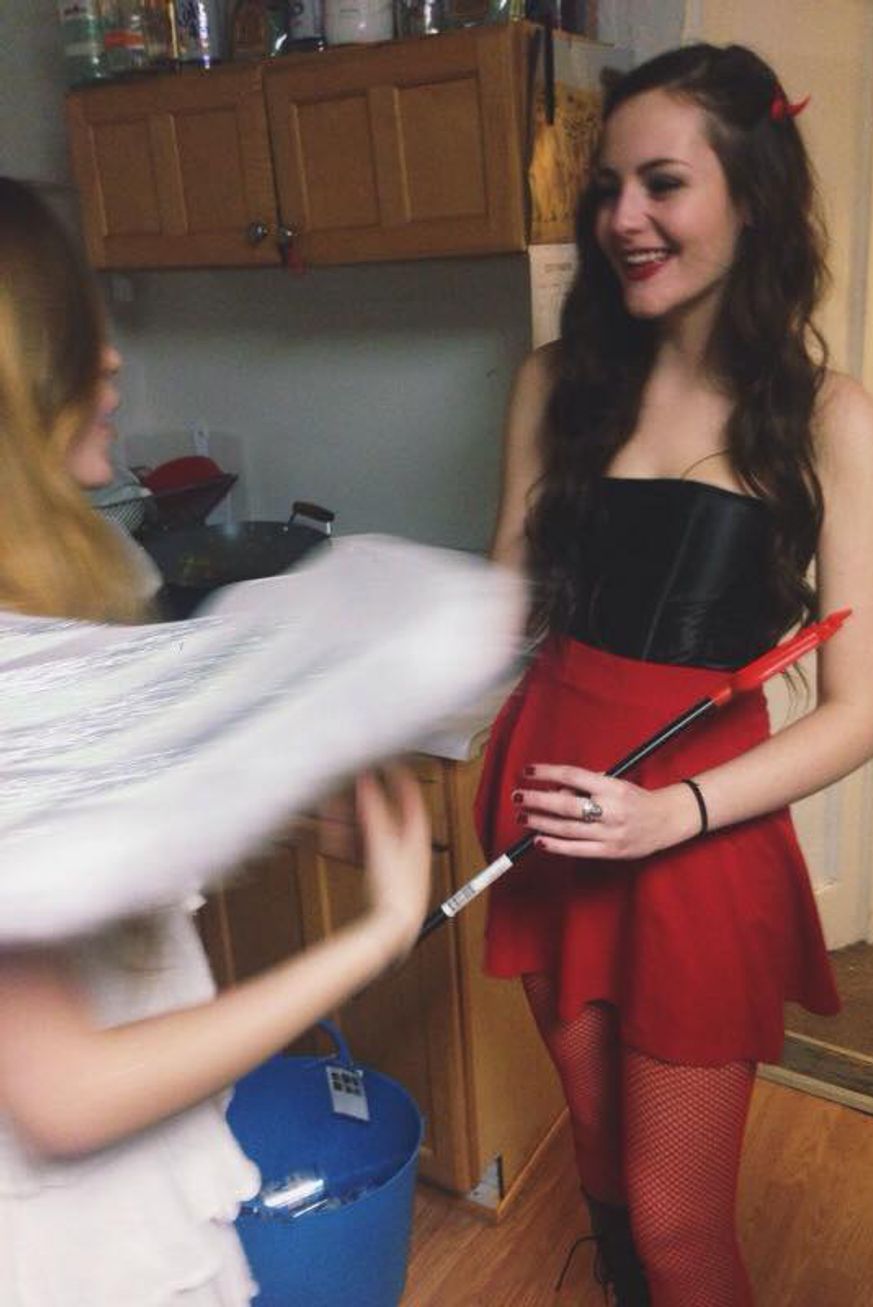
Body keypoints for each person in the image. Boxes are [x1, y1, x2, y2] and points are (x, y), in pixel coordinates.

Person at [0, 177, 521, 1304]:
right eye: (77, 323)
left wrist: (272, 792)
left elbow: (92, 829)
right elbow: (64, 1093)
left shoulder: (41, 636)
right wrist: (376, 932)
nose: (113, 357)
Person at [475, 43, 873, 1307]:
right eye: (606, 187)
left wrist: (671, 813)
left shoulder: (827, 417)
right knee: (599, 1157)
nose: (622, 218)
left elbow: (861, 706)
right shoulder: (554, 383)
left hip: (692, 841)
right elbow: (501, 607)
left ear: (751, 196)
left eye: (661, 183)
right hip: (548, 800)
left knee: (675, 1219)